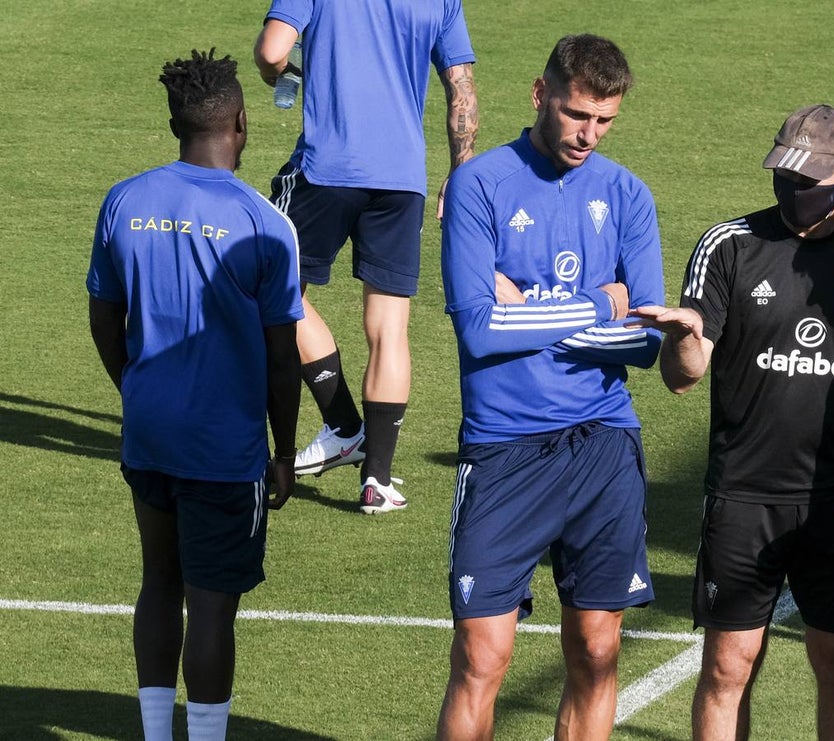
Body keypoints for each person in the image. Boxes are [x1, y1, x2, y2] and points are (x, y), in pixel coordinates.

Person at [633, 104, 834, 740]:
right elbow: (684, 378)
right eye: (784, 179)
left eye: (810, 182)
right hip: (743, 496)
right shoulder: (727, 247)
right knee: (728, 665)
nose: (794, 193)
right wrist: (684, 337)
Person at [436, 34, 663, 741]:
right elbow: (478, 329)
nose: (588, 134)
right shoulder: (479, 186)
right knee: (483, 652)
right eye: (575, 115)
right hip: (505, 448)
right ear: (540, 95)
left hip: (602, 442)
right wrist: (601, 303)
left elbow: (649, 341)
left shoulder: (628, 195)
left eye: (604, 122)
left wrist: (526, 309)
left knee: (596, 650)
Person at [87, 49, 303, 740]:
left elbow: (103, 314)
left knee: (159, 582)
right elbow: (281, 356)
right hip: (222, 448)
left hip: (148, 433)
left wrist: (136, 386)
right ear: (240, 122)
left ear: (175, 121)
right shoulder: (266, 223)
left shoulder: (125, 199)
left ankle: (157, 734)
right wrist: (286, 449)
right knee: (212, 606)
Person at [253, 0, 479, 513]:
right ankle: (377, 480)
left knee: (272, 289)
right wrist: (460, 171)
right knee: (389, 328)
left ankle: (343, 424)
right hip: (402, 180)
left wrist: (284, 75)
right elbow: (461, 89)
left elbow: (272, 51)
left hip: (325, 171)